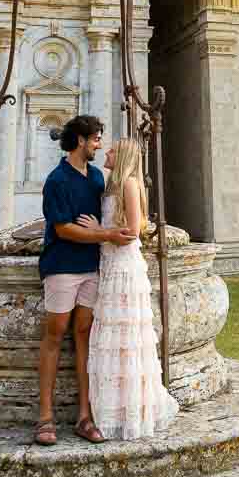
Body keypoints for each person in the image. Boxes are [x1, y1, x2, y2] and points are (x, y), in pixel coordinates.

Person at [35, 114, 135, 447]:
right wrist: (105, 234)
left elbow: (112, 213)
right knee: (54, 334)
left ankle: (84, 416)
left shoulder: (95, 178)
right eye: (95, 139)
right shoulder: (57, 180)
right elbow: (62, 228)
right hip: (62, 266)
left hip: (91, 268)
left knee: (84, 337)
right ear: (80, 140)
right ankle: (45, 418)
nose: (98, 145)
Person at [80, 137, 179, 441]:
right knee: (116, 342)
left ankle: (133, 411)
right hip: (110, 267)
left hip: (124, 268)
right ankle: (116, 408)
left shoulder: (130, 184)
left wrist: (96, 231)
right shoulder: (111, 185)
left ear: (122, 156)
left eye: (111, 150)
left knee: (127, 340)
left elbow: (132, 232)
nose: (106, 152)